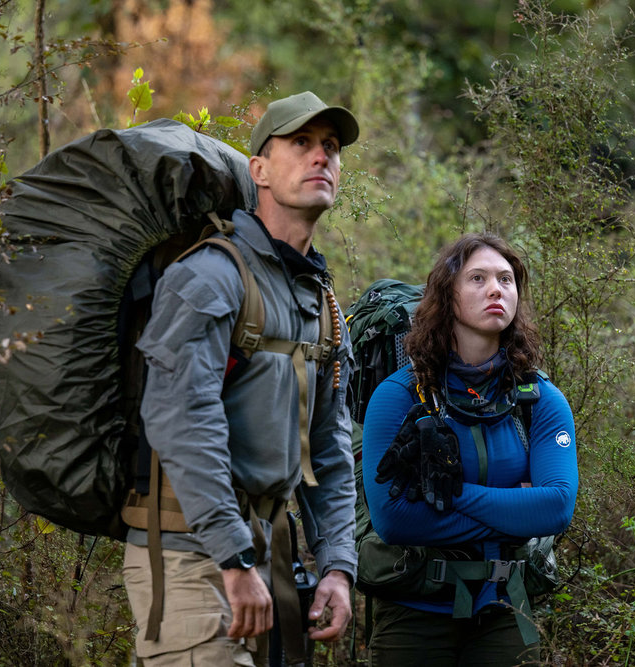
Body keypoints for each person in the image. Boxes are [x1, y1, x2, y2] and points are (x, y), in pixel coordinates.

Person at [123, 91, 360, 666]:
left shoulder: (319, 300)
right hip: (189, 552)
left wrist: (337, 566)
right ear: (259, 170)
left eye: (330, 146)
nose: (320, 157)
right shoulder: (210, 275)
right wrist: (233, 557)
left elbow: (329, 449)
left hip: (267, 556)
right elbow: (180, 417)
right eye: (300, 143)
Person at [361, 233, 578, 666]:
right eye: (477, 278)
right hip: (413, 612)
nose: (496, 289)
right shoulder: (398, 396)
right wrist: (515, 508)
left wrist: (448, 493)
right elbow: (393, 519)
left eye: (506, 279)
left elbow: (555, 507)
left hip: (507, 609)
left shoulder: (540, 399)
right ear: (447, 296)